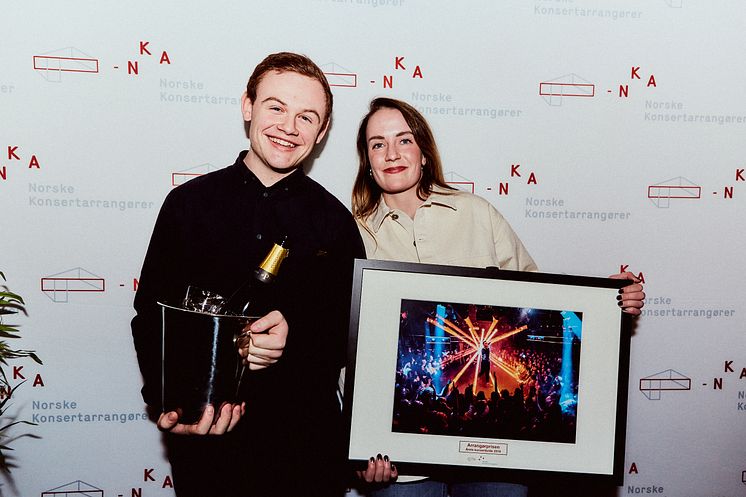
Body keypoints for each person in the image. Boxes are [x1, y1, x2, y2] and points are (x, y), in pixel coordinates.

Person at [351, 97, 645, 496]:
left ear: (423, 152)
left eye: (404, 140)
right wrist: (357, 445)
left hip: (496, 454)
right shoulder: (351, 233)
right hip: (397, 460)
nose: (391, 154)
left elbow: (540, 296)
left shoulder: (477, 213)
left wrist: (609, 303)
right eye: (377, 144)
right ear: (367, 161)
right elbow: (343, 346)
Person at [131, 52, 365, 497]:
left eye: (306, 116)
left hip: (305, 449)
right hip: (208, 443)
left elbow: (350, 337)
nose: (288, 126)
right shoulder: (188, 205)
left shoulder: (335, 223)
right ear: (247, 107)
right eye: (276, 107)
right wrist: (169, 402)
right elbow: (150, 316)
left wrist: (292, 341)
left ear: (322, 132)